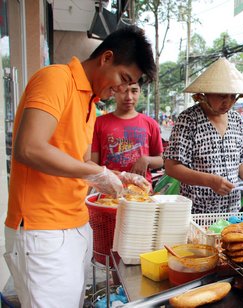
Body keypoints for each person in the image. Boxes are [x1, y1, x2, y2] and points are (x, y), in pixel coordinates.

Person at [4, 26, 156, 307]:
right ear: (106, 58)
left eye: (131, 84)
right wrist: (96, 172)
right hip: (43, 229)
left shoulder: (90, 101)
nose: (122, 90)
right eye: (123, 78)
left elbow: (80, 162)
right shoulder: (56, 79)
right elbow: (29, 147)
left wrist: (116, 177)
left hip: (75, 224)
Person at [164, 57, 243, 213]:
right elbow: (172, 167)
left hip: (232, 210)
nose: (227, 103)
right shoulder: (188, 120)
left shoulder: (237, 120)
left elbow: (240, 160)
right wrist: (210, 181)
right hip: (198, 212)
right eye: (222, 96)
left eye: (232, 97)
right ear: (205, 94)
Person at [91, 79, 163, 188]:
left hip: (141, 191)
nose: (129, 97)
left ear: (140, 92)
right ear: (114, 91)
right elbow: (92, 163)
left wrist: (146, 160)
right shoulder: (98, 123)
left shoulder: (150, 123)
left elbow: (161, 160)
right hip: (108, 191)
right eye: (124, 91)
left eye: (134, 91)